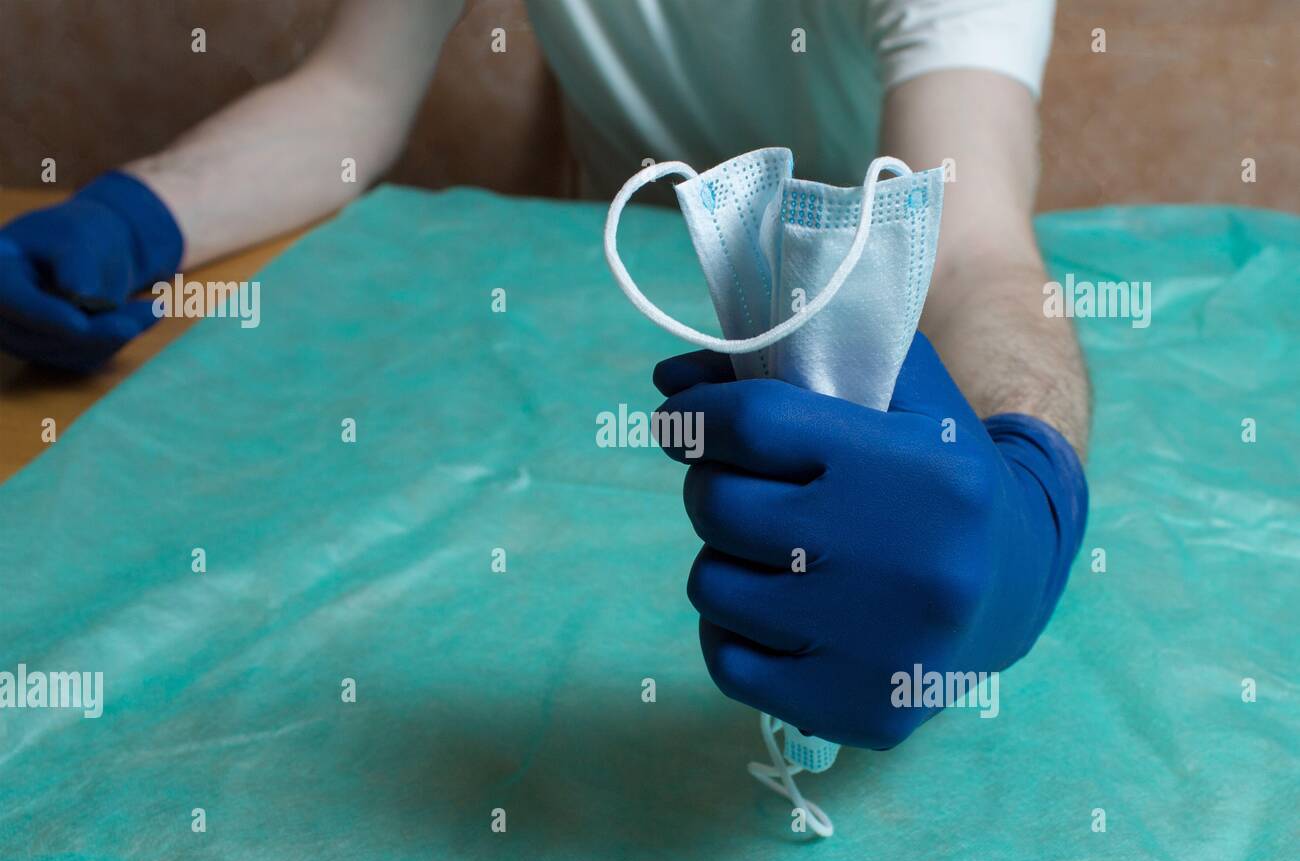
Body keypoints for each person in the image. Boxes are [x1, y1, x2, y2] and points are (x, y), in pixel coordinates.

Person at [0, 0, 1087, 749]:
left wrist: (1029, 498)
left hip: (885, 388)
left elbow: (970, 237)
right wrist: (136, 212)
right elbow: (347, 99)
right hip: (593, 303)